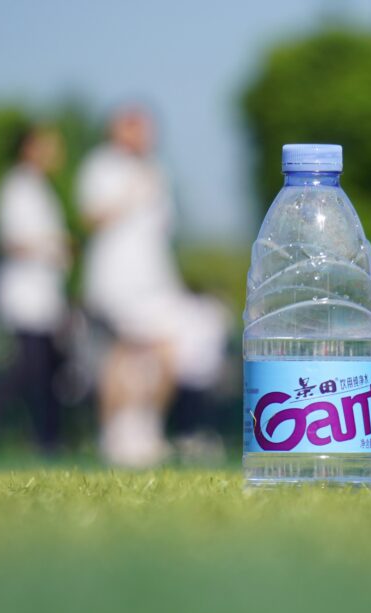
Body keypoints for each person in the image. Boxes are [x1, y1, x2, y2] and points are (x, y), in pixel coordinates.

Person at [77, 105, 228, 467]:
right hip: (116, 278)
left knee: (168, 348)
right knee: (120, 352)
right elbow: (91, 217)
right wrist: (127, 196)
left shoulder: (156, 169)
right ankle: (113, 431)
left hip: (153, 278)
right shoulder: (101, 165)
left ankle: (146, 425)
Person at [0, 123, 70, 457]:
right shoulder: (17, 187)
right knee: (22, 371)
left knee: (47, 374)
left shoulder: (41, 189)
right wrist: (50, 246)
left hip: (45, 297)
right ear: (30, 147)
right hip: (23, 295)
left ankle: (48, 441)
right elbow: (10, 241)